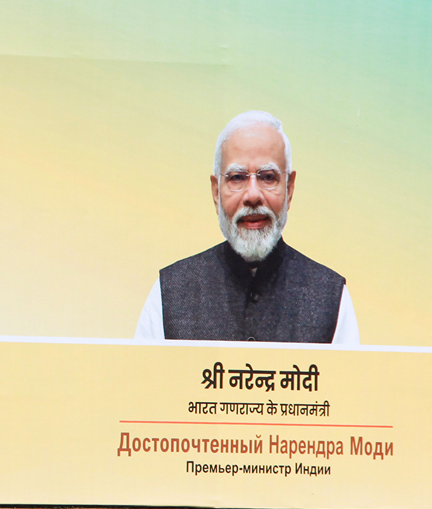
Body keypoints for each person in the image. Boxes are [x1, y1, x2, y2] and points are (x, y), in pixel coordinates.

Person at [135, 110, 360, 345]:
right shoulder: (169, 293)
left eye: (268, 177)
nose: (253, 195)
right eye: (237, 178)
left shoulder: (331, 298)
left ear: (289, 189)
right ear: (215, 192)